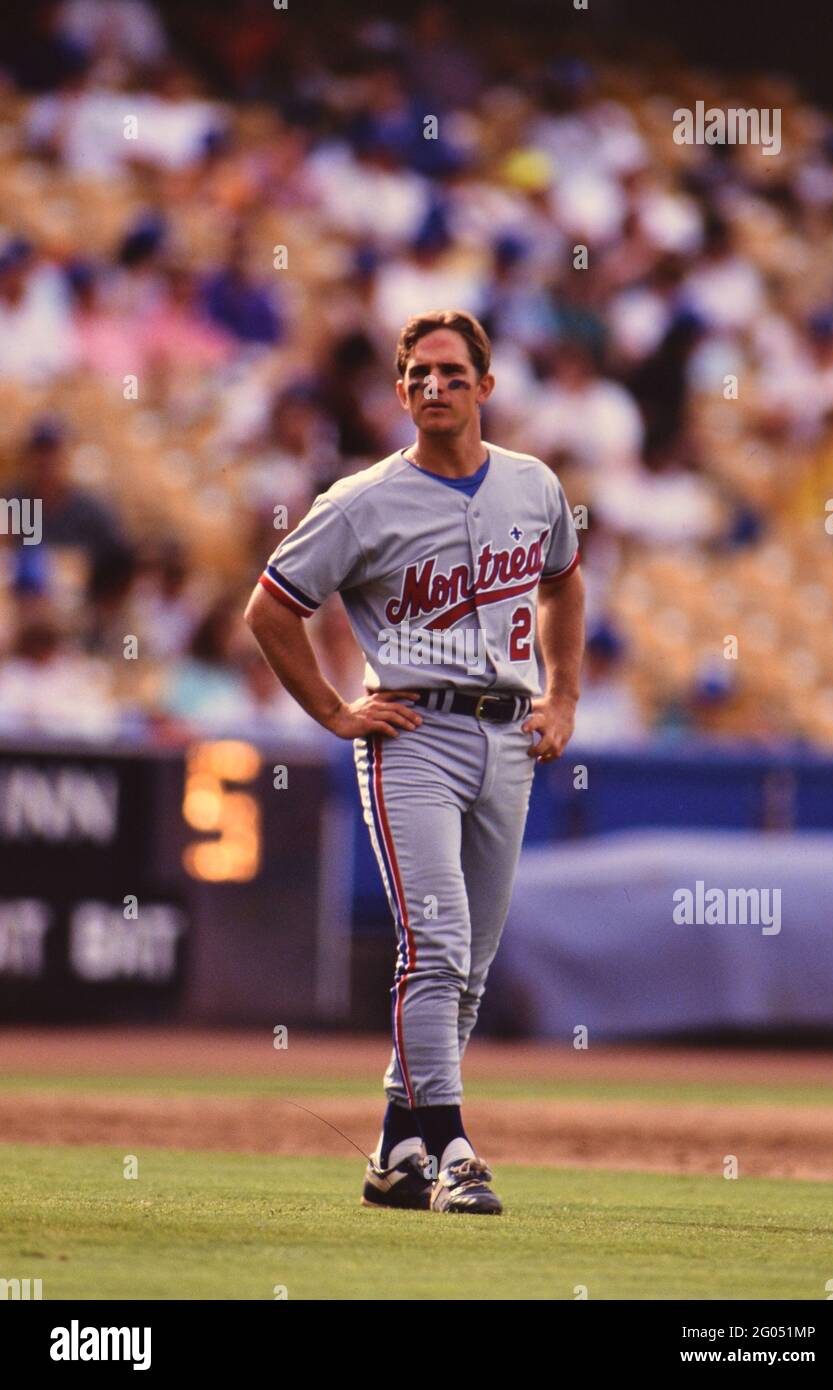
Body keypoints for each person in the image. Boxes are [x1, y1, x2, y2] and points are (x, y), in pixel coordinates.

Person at [245, 309, 584, 1215]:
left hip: (509, 732)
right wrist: (331, 710)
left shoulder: (533, 484)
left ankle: (396, 1150)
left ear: (486, 385)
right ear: (398, 393)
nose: (434, 387)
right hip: (411, 735)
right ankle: (454, 1152)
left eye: (451, 372)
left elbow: (562, 582)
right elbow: (270, 609)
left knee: (468, 963)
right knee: (434, 944)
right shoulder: (360, 500)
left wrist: (563, 696)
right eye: (418, 375)